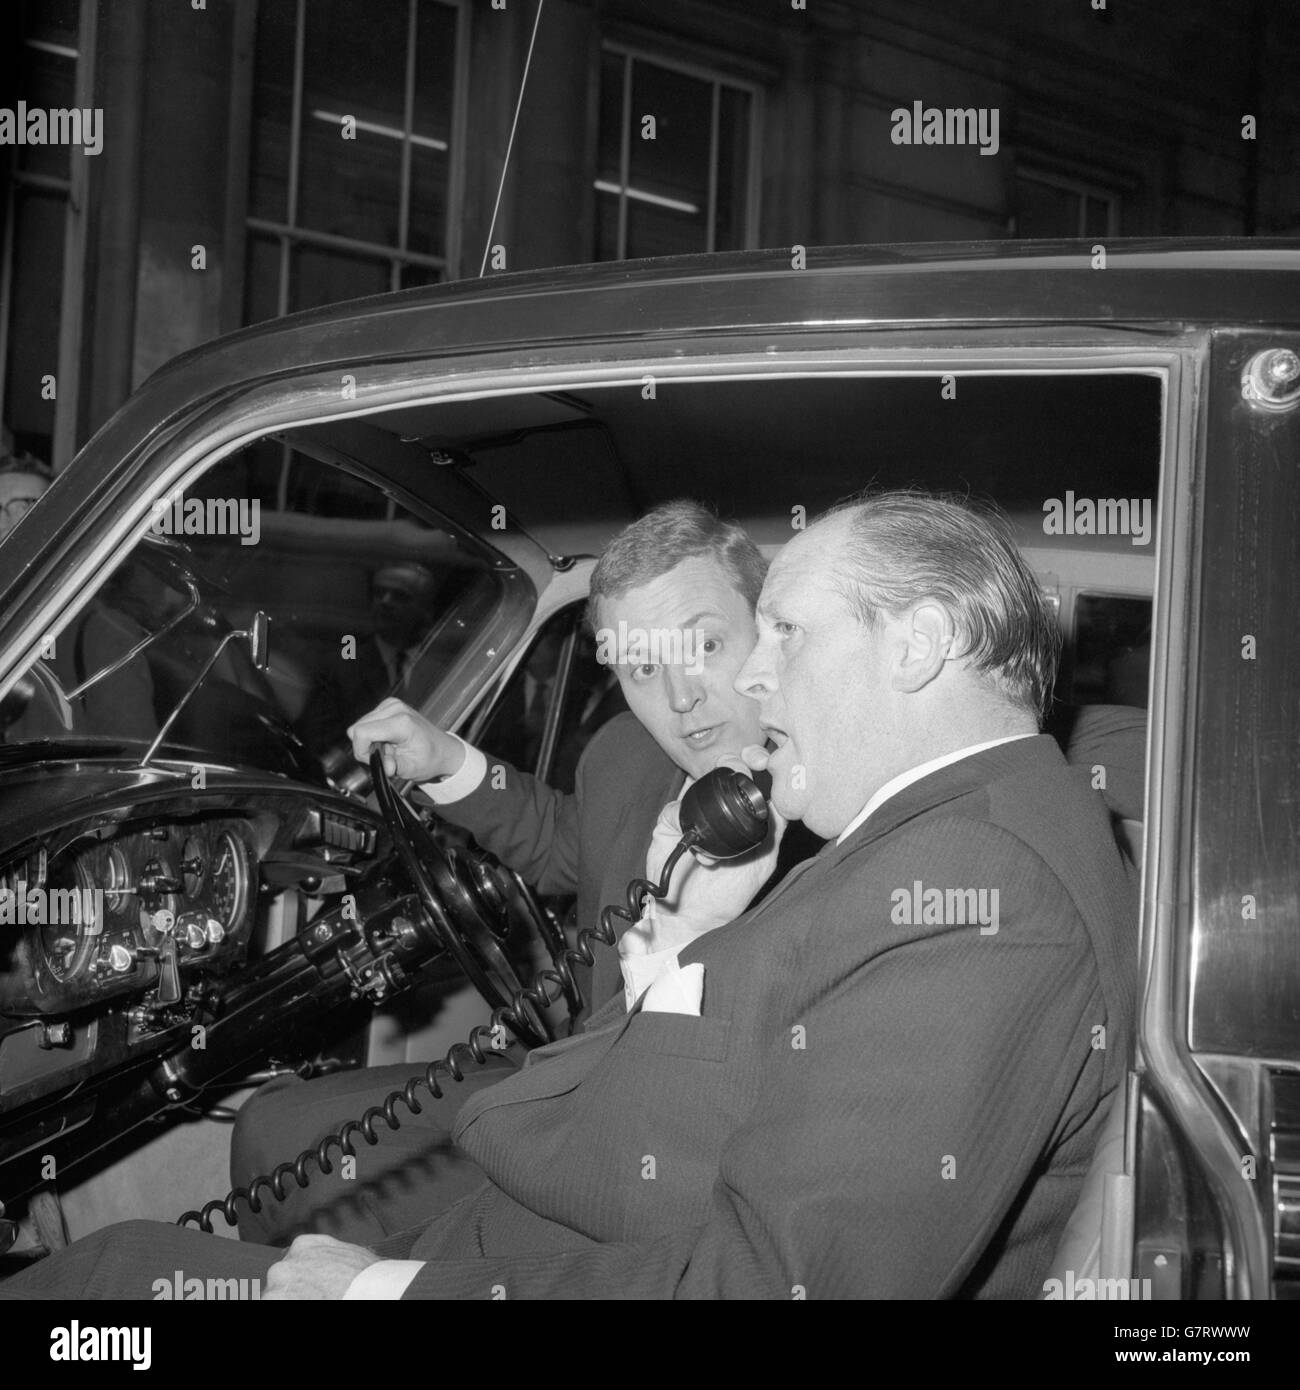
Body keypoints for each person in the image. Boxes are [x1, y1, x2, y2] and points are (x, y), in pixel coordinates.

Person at [1, 489, 1137, 1299]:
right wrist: (677, 945)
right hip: (558, 1201)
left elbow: (769, 1279)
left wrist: (387, 1291)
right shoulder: (925, 836)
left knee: (100, 1295)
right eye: (643, 663)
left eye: (776, 633)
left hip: (538, 1240)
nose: (737, 679)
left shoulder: (978, 893)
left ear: (920, 643)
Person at [229, 501, 795, 1245]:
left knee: (343, 1214)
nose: (681, 697)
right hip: (561, 1073)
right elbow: (568, 839)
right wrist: (446, 760)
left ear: (769, 633)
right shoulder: (626, 751)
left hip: (664, 1142)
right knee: (272, 1124)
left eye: (708, 644)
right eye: (644, 666)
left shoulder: (835, 819)